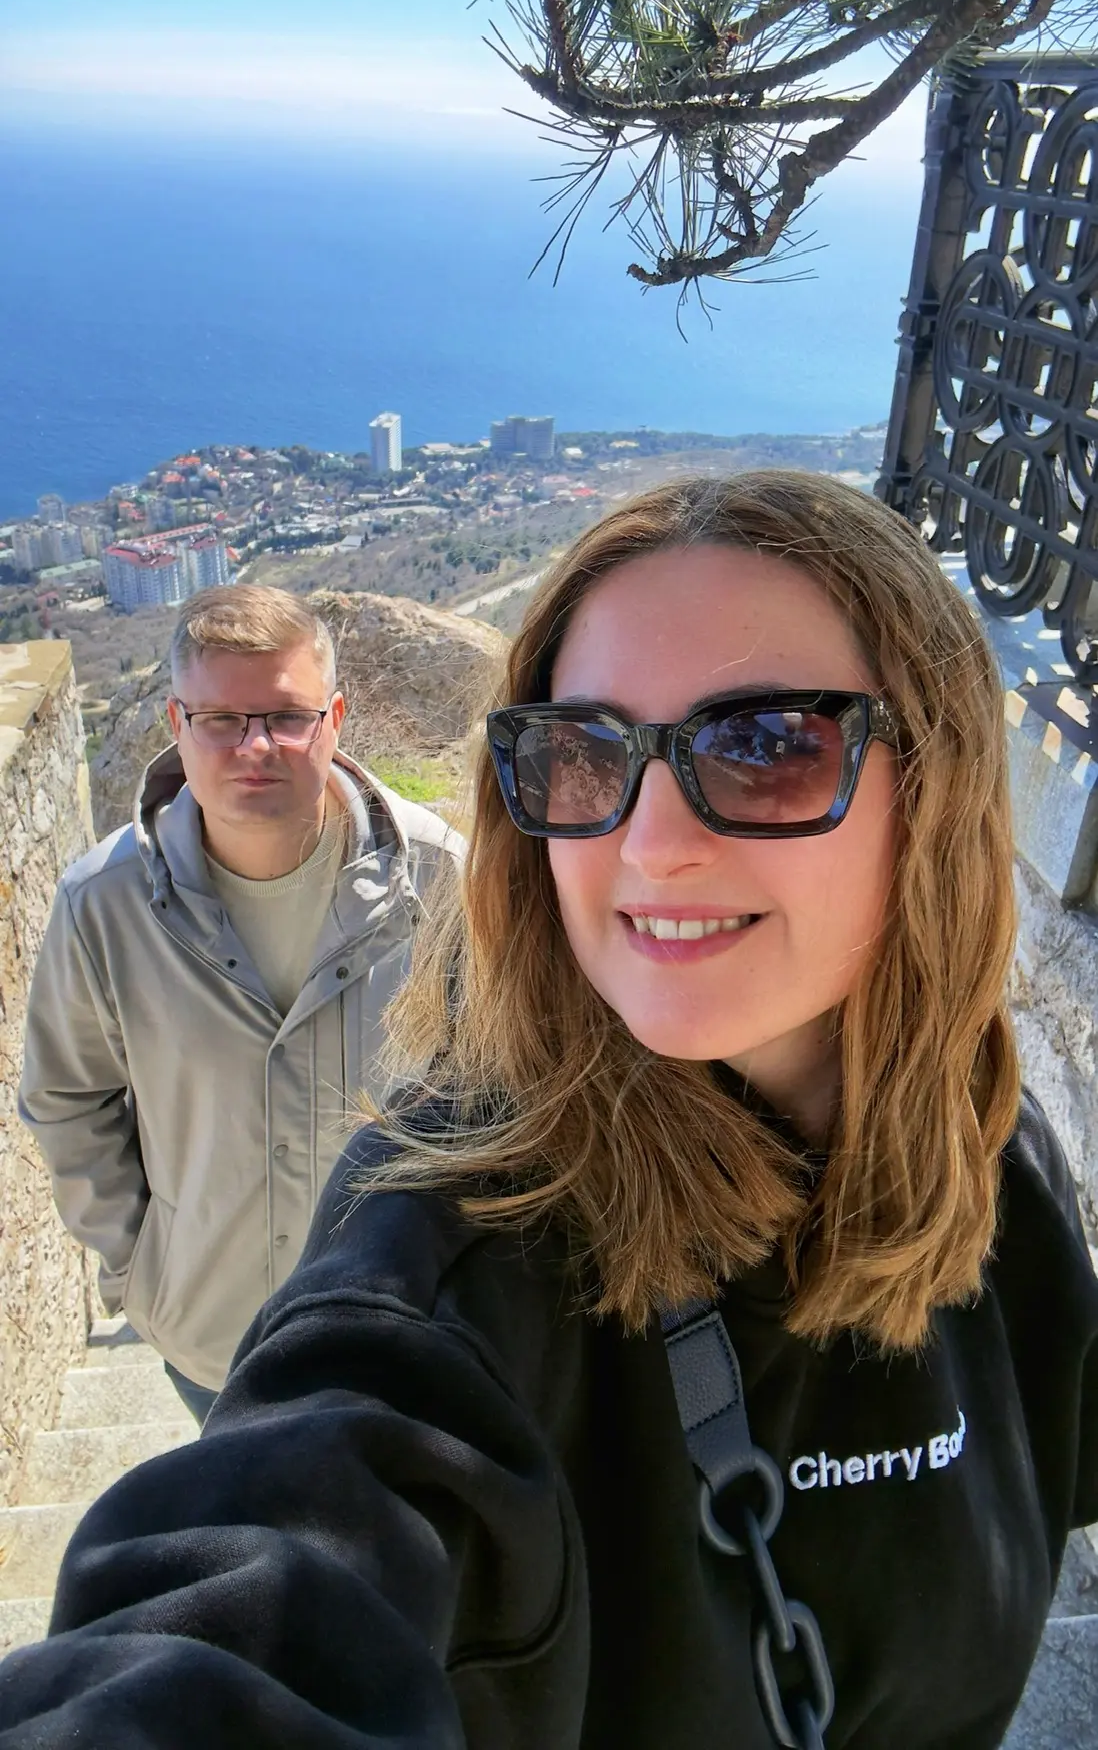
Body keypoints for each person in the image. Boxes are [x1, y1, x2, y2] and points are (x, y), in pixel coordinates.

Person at [1, 473, 1096, 1749]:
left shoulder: (993, 1157)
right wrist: (143, 1274)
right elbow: (261, 1597)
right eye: (586, 755)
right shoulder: (455, 1248)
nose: (653, 843)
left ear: (939, 784)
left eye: (766, 745)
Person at [18, 583, 462, 1423]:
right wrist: (142, 1272)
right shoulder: (103, 906)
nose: (255, 746)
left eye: (287, 717)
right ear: (177, 725)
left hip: (407, 1330)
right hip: (214, 1345)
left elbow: (502, 1092)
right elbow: (67, 1099)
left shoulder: (443, 881)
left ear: (334, 719)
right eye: (221, 719)